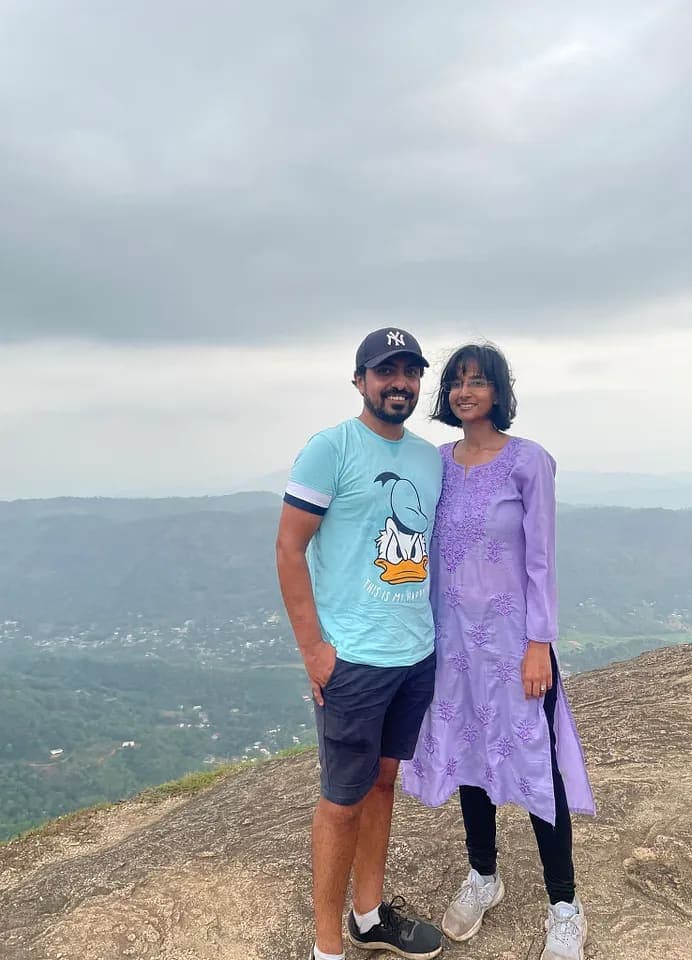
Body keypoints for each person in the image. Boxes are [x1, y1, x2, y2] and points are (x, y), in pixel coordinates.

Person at [402, 342, 595, 960]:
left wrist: (540, 643)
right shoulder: (436, 463)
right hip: (453, 645)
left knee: (537, 763)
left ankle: (564, 905)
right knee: (468, 754)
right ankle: (483, 875)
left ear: (498, 392)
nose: (465, 391)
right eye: (457, 381)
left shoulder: (528, 461)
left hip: (514, 646)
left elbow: (541, 559)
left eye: (478, 380)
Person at [276, 328, 444, 960]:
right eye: (385, 371)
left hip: (413, 654)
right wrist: (314, 651)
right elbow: (289, 548)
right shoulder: (331, 448)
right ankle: (327, 948)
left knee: (382, 784)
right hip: (353, 660)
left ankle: (368, 917)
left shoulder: (428, 458)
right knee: (341, 802)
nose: (399, 382)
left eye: (410, 371)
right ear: (360, 380)